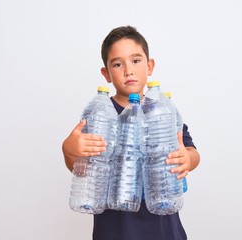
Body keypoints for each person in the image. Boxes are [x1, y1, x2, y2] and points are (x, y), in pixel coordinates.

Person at [62, 25, 200, 240]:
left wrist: (187, 159)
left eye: (136, 61)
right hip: (115, 230)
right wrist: (69, 152)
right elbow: (85, 170)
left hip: (164, 229)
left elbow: (191, 151)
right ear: (106, 74)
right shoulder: (101, 115)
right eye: (117, 64)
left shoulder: (162, 110)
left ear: (150, 66)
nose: (128, 70)